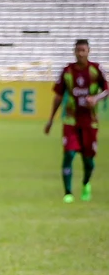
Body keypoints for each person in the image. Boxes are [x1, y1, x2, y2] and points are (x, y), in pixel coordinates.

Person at [44, 39, 107, 203]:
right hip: (71, 121)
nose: (80, 53)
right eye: (78, 50)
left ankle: (86, 183)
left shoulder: (95, 70)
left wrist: (96, 98)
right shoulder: (67, 71)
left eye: (83, 50)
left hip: (90, 122)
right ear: (74, 51)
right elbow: (58, 96)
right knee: (69, 154)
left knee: (88, 161)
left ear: (88, 51)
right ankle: (68, 193)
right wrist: (51, 120)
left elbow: (107, 89)